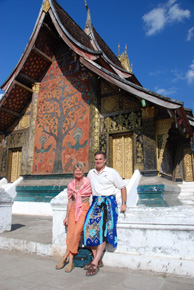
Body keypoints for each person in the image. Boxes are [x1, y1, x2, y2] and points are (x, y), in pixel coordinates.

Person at [83, 151, 127, 276]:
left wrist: (124, 203)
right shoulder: (91, 173)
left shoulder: (111, 172)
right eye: (96, 159)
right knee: (88, 229)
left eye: (100, 159)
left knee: (102, 231)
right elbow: (87, 188)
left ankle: (95, 262)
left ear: (105, 160)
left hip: (108, 203)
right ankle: (97, 258)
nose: (98, 161)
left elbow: (123, 187)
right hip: (96, 203)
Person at [56, 161, 92, 273]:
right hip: (73, 209)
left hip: (84, 208)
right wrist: (66, 216)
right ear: (73, 172)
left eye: (80, 170)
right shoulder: (70, 185)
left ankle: (64, 256)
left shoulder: (87, 183)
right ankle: (71, 262)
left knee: (77, 233)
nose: (78, 172)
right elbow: (70, 201)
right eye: (76, 170)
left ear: (83, 171)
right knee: (70, 234)